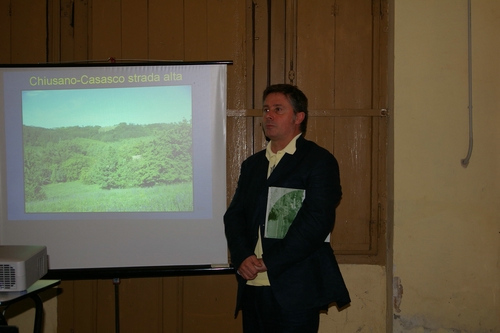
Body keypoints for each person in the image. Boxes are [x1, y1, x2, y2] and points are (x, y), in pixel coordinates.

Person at [224, 84, 350, 333]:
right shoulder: (252, 165)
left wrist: (269, 261)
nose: (268, 115)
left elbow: (316, 222)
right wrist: (242, 257)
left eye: (278, 109)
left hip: (296, 288)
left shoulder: (318, 161)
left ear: (298, 117)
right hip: (252, 286)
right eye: (266, 109)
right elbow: (234, 215)